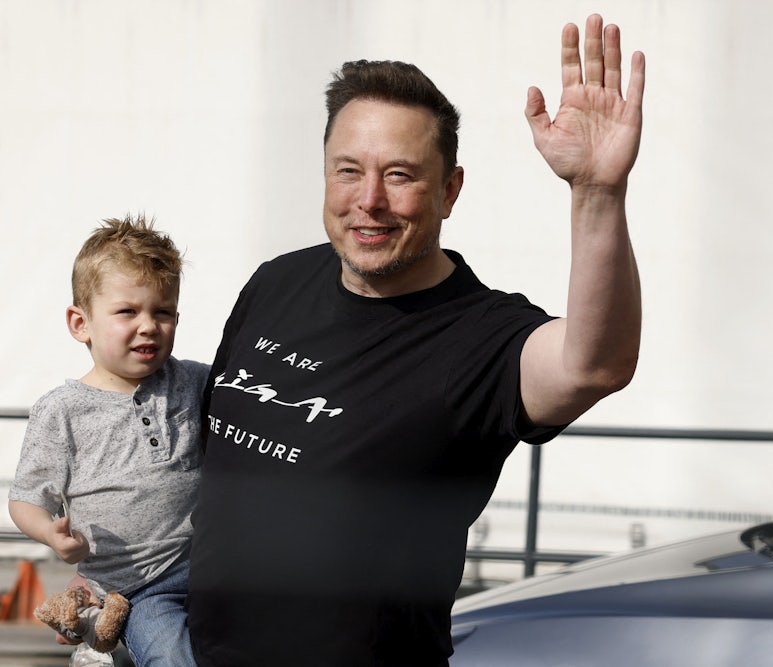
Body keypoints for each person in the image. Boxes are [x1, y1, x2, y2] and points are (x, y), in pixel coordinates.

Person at [186, 13, 643, 666]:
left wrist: (598, 193)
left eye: (400, 175)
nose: (369, 199)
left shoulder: (483, 338)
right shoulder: (276, 281)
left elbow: (593, 365)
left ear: (450, 190)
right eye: (349, 170)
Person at [8, 215, 208, 667]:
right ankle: (98, 634)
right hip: (135, 588)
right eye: (127, 311)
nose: (149, 326)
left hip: (211, 562)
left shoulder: (193, 380)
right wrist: (51, 535)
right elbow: (24, 500)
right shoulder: (63, 410)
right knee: (174, 658)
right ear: (81, 323)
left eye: (163, 312)